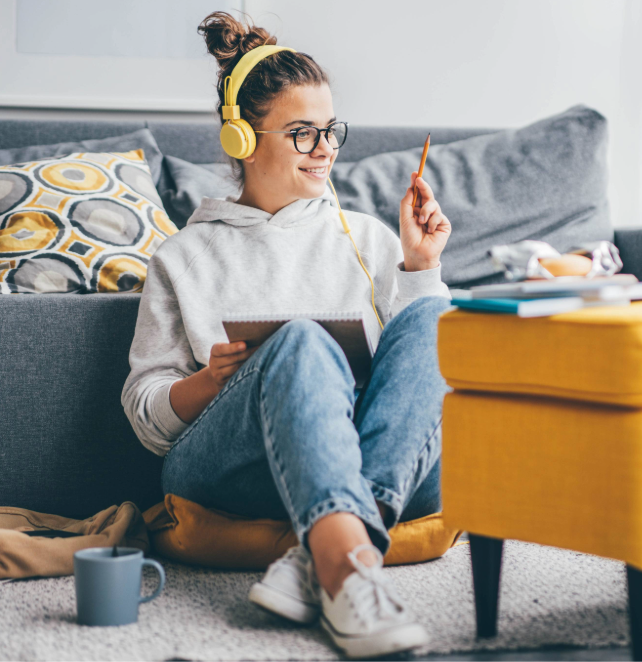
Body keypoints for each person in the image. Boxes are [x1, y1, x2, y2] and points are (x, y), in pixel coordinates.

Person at [120, 11, 453, 659]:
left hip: (376, 462)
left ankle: (326, 550)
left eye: (331, 130)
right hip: (237, 472)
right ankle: (347, 576)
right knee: (300, 343)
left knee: (437, 317)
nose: (325, 148)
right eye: (303, 133)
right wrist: (205, 385)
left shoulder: (370, 238)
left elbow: (417, 389)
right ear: (242, 140)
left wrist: (421, 268)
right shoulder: (183, 257)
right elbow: (146, 419)